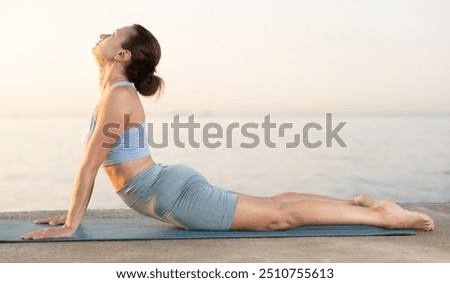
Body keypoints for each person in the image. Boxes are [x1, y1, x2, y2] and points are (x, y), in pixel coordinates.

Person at [21, 24, 434, 240]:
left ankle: (382, 215)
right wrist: (73, 211)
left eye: (112, 35)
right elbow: (100, 165)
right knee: (273, 204)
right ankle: (356, 203)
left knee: (278, 217)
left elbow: (90, 165)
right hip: (165, 186)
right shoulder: (114, 93)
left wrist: (73, 223)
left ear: (123, 54)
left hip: (168, 193)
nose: (102, 35)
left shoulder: (117, 96)